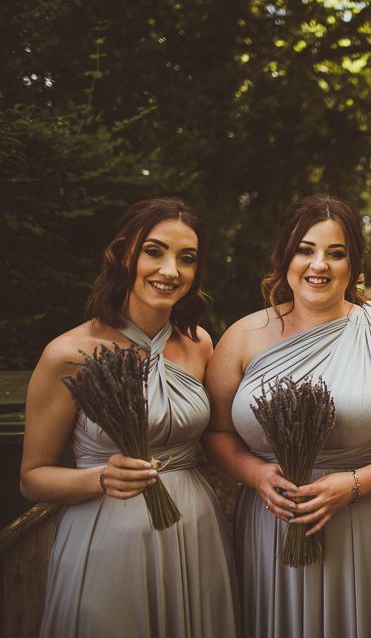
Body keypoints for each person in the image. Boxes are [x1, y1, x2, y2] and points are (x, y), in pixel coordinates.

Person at [204, 195, 371, 637]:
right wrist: (254, 473)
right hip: (274, 525)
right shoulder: (241, 337)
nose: (319, 265)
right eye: (305, 249)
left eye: (336, 253)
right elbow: (215, 433)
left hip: (370, 524)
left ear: (354, 265)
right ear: (284, 256)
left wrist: (352, 485)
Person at [20, 198, 239, 638]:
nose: (170, 270)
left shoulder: (199, 345)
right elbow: (32, 478)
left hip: (195, 527)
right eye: (154, 251)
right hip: (106, 537)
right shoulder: (69, 354)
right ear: (125, 255)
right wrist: (100, 478)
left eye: (187, 258)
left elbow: (225, 432)